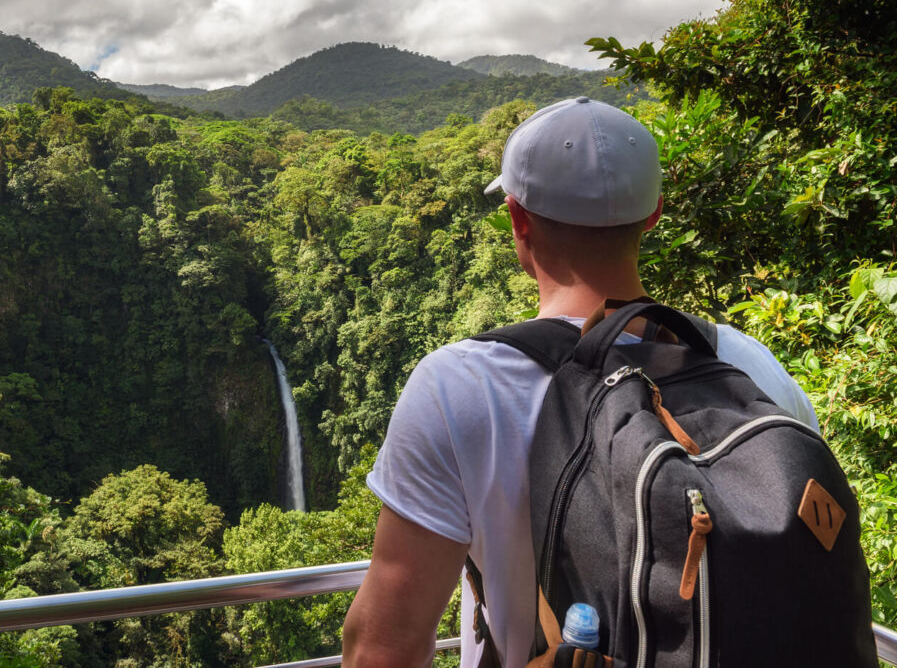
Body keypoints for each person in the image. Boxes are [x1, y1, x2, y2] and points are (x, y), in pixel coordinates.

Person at [340, 96, 818, 668]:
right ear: (653, 215)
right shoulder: (754, 367)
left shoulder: (461, 388)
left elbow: (382, 648)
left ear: (517, 219)